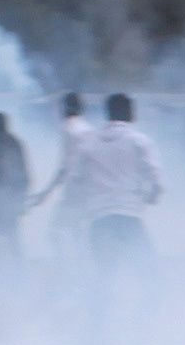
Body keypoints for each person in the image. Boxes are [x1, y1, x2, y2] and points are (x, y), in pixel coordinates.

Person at [45, 89, 164, 269]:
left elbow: (75, 179)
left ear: (108, 114)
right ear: (131, 114)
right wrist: (149, 197)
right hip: (128, 217)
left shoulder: (90, 144)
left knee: (104, 275)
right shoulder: (139, 141)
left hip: (99, 218)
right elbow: (156, 181)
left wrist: (85, 205)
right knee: (148, 273)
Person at [0, 111, 32, 258]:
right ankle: (14, 270)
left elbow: (5, 176)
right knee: (10, 236)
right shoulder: (12, 143)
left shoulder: (5, 146)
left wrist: (0, 201)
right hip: (12, 198)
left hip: (7, 199)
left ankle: (6, 271)